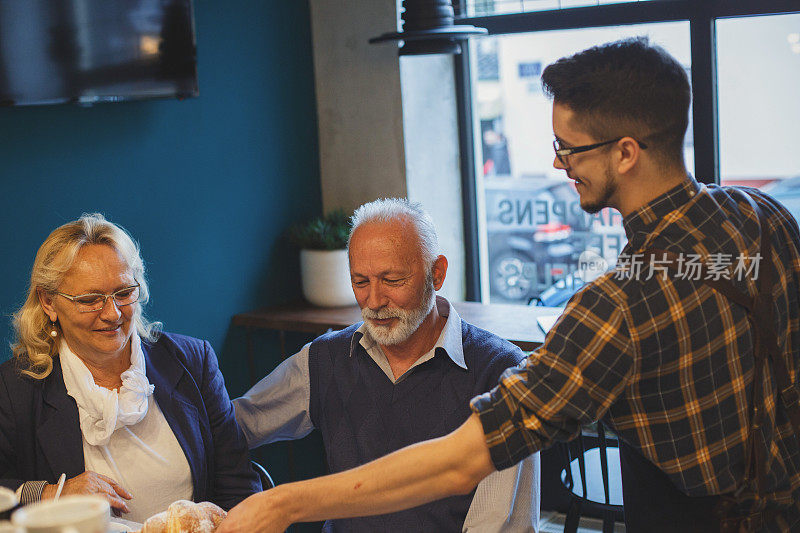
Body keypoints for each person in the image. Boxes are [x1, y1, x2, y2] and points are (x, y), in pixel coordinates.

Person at [217, 37, 800, 533]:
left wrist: (287, 500)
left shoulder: (617, 307)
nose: (559, 164)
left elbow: (460, 462)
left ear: (626, 153)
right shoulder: (763, 216)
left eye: (569, 149)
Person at [233, 198, 539, 531]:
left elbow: (496, 525)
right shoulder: (326, 358)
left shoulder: (499, 371)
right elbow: (233, 427)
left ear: (436, 274)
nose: (375, 301)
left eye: (392, 280)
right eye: (360, 282)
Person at [0, 214, 260, 523]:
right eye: (90, 300)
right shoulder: (15, 389)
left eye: (123, 294)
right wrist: (53, 493)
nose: (112, 314)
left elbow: (239, 488)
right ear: (49, 302)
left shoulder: (192, 361)